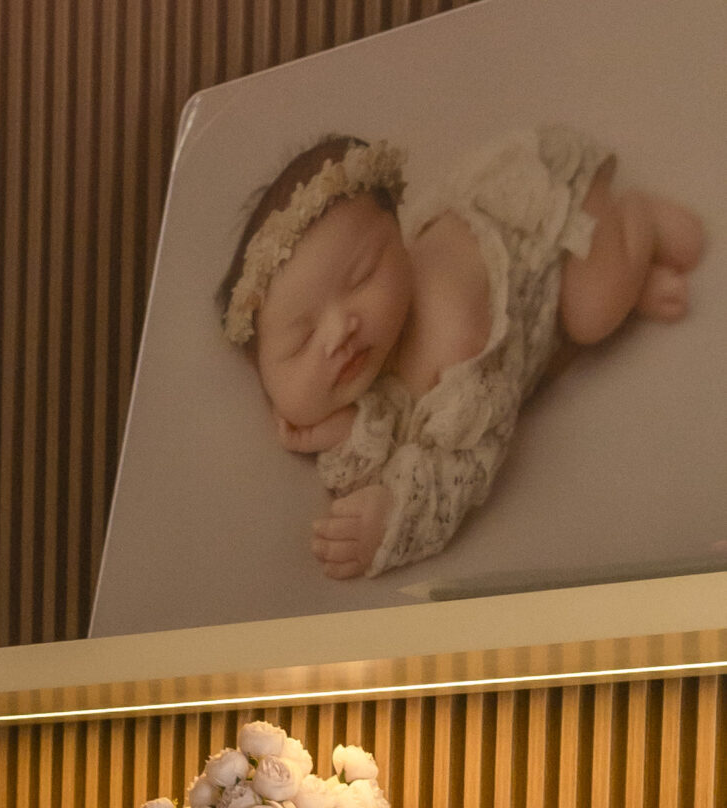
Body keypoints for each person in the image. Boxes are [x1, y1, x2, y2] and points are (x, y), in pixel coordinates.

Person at [219, 128, 706, 580]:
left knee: (592, 312)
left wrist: (391, 518)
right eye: (302, 340)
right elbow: (396, 412)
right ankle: (627, 273)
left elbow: (462, 464)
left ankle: (636, 222)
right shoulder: (375, 344)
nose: (339, 331)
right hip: (506, 248)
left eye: (361, 276)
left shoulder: (454, 334)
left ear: (398, 238)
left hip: (551, 219)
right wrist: (348, 431)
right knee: (584, 320)